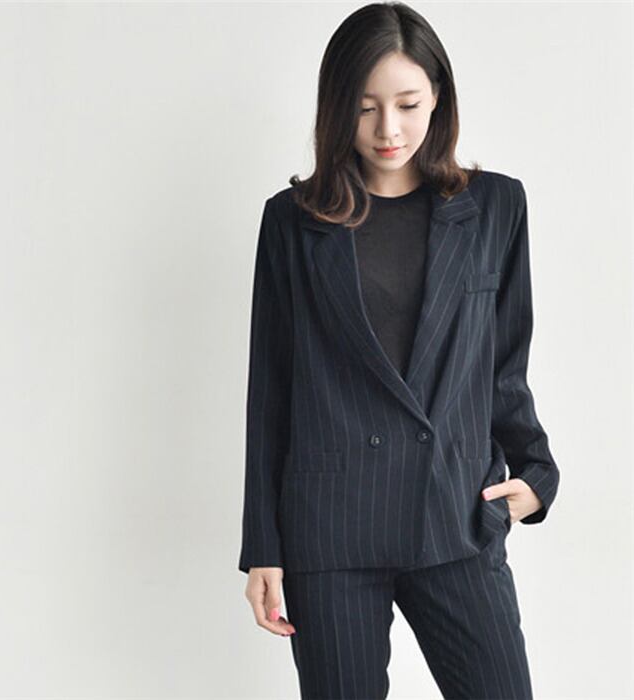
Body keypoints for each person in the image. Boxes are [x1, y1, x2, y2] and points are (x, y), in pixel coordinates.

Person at [238, 2, 560, 698]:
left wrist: (537, 473)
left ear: (438, 97)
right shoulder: (291, 223)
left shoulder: (496, 208)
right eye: (365, 108)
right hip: (332, 529)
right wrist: (262, 546)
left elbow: (505, 367)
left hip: (456, 514)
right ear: (336, 109)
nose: (389, 129)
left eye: (408, 104)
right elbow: (271, 391)